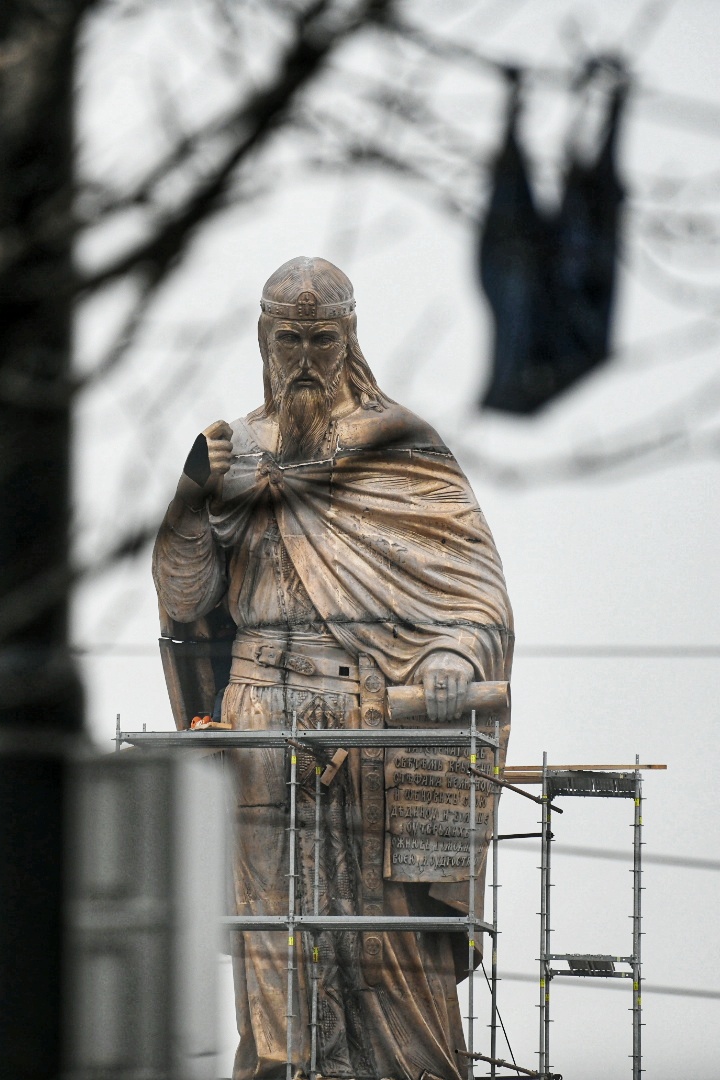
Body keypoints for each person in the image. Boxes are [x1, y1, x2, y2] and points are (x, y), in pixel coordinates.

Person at [153, 257, 514, 1080]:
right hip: (256, 719)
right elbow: (187, 598)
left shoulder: (403, 447)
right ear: (263, 340)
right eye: (290, 339)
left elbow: (475, 591)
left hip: (367, 720)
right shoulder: (232, 449)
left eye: (322, 338)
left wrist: (456, 652)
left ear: (349, 338)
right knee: (274, 927)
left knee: (384, 938)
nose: (306, 357)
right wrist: (190, 498)